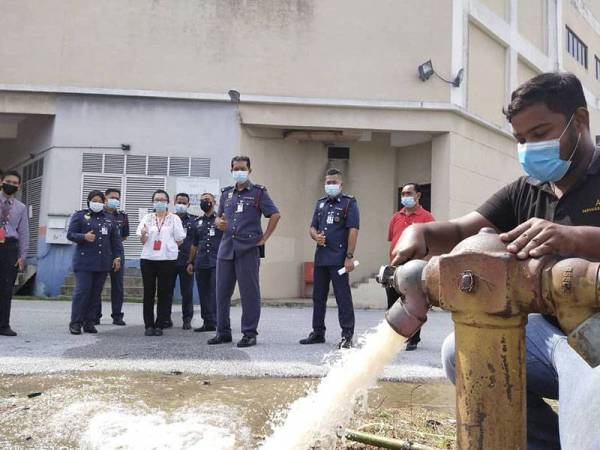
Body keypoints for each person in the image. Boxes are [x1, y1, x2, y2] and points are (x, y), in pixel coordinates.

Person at [392, 72, 600, 450]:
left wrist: (573, 236)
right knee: (460, 352)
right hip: (552, 335)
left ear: (580, 121)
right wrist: (421, 234)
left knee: (591, 392)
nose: (529, 148)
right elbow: (459, 230)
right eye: (521, 140)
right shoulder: (527, 190)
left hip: (597, 337)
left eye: (540, 133)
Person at [208, 156, 281, 348]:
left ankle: (249, 333)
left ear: (249, 170)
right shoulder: (226, 194)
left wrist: (264, 238)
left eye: (242, 168)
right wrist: (218, 222)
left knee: (249, 293)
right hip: (226, 249)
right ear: (231, 169)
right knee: (221, 292)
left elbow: (275, 214)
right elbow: (218, 217)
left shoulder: (258, 193)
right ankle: (222, 332)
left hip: (248, 249)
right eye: (235, 168)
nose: (238, 171)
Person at [300, 168, 360, 349]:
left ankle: (347, 336)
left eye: (334, 182)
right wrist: (315, 236)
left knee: (343, 298)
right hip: (321, 258)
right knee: (318, 297)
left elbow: (353, 230)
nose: (330, 185)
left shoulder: (349, 203)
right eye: (328, 182)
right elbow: (312, 227)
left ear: (341, 184)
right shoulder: (321, 203)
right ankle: (318, 332)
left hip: (339, 259)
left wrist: (349, 257)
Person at [386, 182, 434, 351]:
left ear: (418, 195)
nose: (405, 197)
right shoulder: (396, 217)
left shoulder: (426, 218)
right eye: (403, 194)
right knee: (392, 303)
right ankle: (394, 337)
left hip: (414, 267)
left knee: (414, 303)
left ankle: (413, 339)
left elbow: (432, 243)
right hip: (395, 266)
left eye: (408, 193)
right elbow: (392, 240)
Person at [67, 190, 122, 335]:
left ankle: (89, 322)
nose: (97, 203)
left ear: (104, 202)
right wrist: (83, 236)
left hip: (103, 262)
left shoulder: (109, 218)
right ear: (89, 201)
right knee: (82, 292)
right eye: (94, 200)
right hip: (84, 262)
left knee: (95, 294)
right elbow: (70, 234)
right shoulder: (80, 216)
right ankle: (76, 323)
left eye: (100, 201)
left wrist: (117, 257)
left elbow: (115, 241)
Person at [136, 189, 186, 337]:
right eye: (157, 200)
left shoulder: (174, 219)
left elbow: (180, 239)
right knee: (149, 293)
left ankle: (160, 324)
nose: (159, 202)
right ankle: (149, 325)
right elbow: (142, 240)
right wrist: (144, 234)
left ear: (168, 202)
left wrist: (168, 247)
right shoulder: (147, 218)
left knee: (164, 293)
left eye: (162, 200)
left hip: (167, 260)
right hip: (148, 259)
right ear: (153, 202)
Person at [187, 192, 222, 333]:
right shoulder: (197, 222)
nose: (204, 202)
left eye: (207, 199)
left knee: (216, 293)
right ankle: (207, 322)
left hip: (217, 261)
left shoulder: (221, 220)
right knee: (203, 293)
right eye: (202, 200)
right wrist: (190, 262)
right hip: (201, 262)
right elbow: (194, 244)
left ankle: (218, 321)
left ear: (214, 202)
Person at [0, 170, 29, 336]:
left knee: (5, 289)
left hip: (10, 248)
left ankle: (4, 325)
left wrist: (22, 256)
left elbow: (24, 232)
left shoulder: (21, 207)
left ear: (19, 186)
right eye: (8, 181)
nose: (11, 185)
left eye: (14, 183)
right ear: (2, 181)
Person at [99, 188, 129, 326]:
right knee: (97, 285)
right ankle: (95, 315)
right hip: (101, 254)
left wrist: (114, 244)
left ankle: (117, 316)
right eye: (112, 197)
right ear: (105, 198)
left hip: (117, 254)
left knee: (118, 286)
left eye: (117, 198)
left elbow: (124, 235)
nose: (114, 200)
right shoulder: (99, 214)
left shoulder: (122, 216)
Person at [170, 192, 197, 330]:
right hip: (169, 261)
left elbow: (196, 243)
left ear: (188, 204)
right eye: (178, 202)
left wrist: (192, 262)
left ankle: (187, 319)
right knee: (166, 291)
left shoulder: (194, 221)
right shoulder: (168, 218)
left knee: (186, 292)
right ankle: (165, 318)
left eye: (184, 203)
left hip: (187, 262)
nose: (181, 205)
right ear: (174, 203)